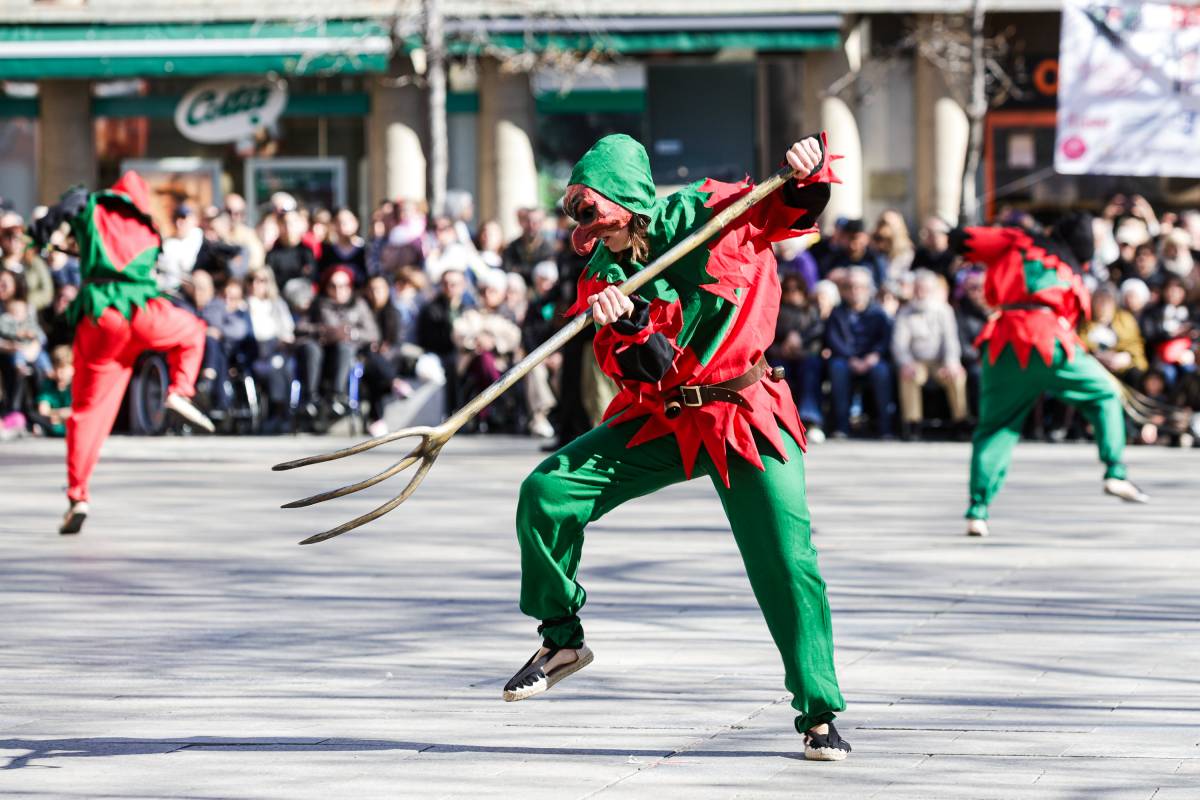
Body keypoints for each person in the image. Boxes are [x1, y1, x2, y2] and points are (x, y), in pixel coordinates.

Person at [503, 133, 851, 761]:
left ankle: (819, 711)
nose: (590, 235)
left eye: (595, 216)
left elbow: (791, 211)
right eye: (577, 220)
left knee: (787, 562)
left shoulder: (710, 211)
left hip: (742, 412)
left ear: (628, 202)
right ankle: (561, 639)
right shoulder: (604, 279)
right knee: (546, 492)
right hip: (663, 417)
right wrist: (629, 321)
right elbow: (648, 370)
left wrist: (805, 170)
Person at [28, 172, 213, 534]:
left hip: (101, 319)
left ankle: (78, 496)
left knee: (87, 414)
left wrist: (41, 234)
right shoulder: (149, 229)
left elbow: (69, 206)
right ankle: (179, 390)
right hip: (142, 312)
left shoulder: (93, 206)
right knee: (193, 331)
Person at [952, 213, 1149, 539]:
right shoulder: (1071, 267)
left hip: (1003, 342)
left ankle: (977, 510)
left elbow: (964, 240)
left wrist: (957, 231)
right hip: (1049, 340)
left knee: (994, 427)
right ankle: (1115, 470)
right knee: (1105, 394)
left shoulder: (1017, 240)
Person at [892, 269, 968, 439]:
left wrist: (951, 363)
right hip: (917, 362)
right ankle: (912, 424)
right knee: (909, 375)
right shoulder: (905, 312)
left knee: (957, 376)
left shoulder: (944, 311)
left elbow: (951, 341)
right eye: (918, 288)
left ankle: (961, 422)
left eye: (925, 289)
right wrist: (906, 363)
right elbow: (899, 345)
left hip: (940, 362)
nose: (921, 293)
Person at [295, 266, 379, 419]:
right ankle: (310, 398)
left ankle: (338, 396)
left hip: (345, 354)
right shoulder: (318, 304)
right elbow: (300, 327)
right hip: (320, 351)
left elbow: (373, 333)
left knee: (344, 348)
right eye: (333, 286)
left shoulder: (359, 305)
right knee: (310, 349)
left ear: (350, 287)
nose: (338, 290)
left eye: (343, 286)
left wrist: (350, 333)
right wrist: (321, 331)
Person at [825, 267, 894, 439]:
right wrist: (851, 358)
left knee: (882, 370)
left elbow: (885, 339)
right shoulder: (837, 313)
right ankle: (842, 426)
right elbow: (833, 339)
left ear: (868, 289)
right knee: (837, 368)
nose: (854, 291)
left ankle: (885, 427)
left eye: (859, 286)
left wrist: (874, 356)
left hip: (873, 359)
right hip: (846, 359)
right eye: (849, 287)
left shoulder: (879, 314)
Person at [502, 207, 556, 282]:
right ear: (521, 222)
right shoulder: (512, 247)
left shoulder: (548, 248)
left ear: (541, 223)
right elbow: (508, 268)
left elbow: (547, 272)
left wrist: (519, 269)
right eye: (527, 221)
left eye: (535, 222)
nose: (531, 225)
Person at [32, 344, 73, 437]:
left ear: (73, 368)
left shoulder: (78, 385)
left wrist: (56, 413)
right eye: (56, 369)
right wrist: (62, 414)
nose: (59, 374)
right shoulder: (49, 384)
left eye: (63, 369)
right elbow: (43, 410)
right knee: (35, 418)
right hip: (54, 424)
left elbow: (80, 411)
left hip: (72, 424)